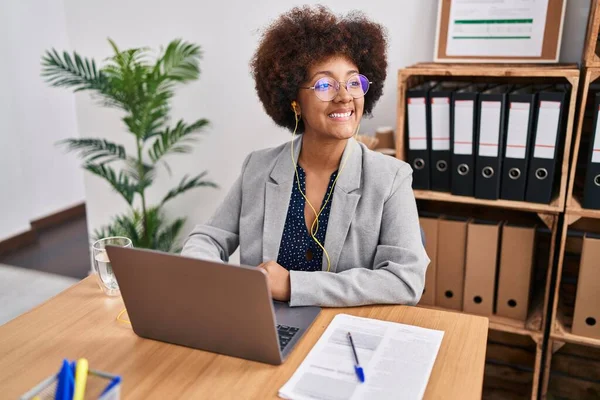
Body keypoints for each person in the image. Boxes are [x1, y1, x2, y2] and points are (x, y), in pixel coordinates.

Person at [182, 5, 429, 307]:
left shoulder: (390, 178)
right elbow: (206, 239)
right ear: (294, 100)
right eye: (325, 84)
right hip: (265, 329)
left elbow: (406, 281)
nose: (345, 96)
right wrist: (215, 280)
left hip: (341, 335)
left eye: (354, 82)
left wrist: (293, 285)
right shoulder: (259, 167)